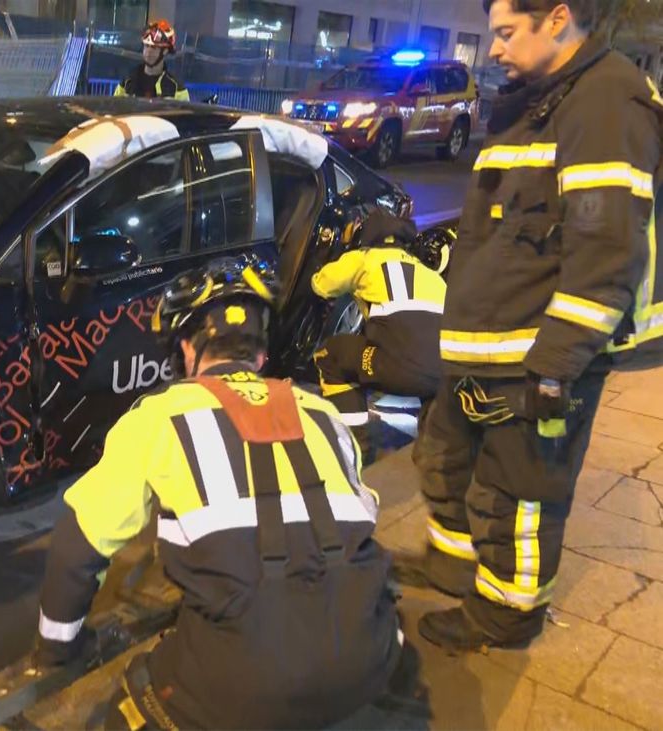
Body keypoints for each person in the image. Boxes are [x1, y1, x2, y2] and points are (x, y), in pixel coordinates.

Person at [34, 258, 401, 730]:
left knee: (133, 700)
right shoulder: (323, 415)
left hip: (245, 684)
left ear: (188, 351)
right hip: (370, 655)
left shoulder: (158, 418)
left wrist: (57, 649)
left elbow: (74, 549)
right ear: (261, 358)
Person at [413, 0, 663, 652]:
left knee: (518, 493)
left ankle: (505, 615)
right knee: (448, 459)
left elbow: (606, 254)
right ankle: (453, 567)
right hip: (486, 344)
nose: (493, 49)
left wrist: (552, 368)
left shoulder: (605, 102)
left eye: (505, 33)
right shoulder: (538, 97)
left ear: (557, 18)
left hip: (535, 358)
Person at [311, 211, 446, 461]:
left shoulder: (364, 259)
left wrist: (330, 257)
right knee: (428, 367)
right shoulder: (432, 276)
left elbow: (321, 285)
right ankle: (433, 445)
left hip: (397, 368)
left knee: (331, 355)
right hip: (443, 374)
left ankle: (355, 446)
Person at [113, 20, 188, 101]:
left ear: (165, 50)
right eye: (146, 46)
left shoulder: (176, 87)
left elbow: (185, 113)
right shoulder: (128, 80)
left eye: (154, 48)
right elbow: (114, 108)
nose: (148, 51)